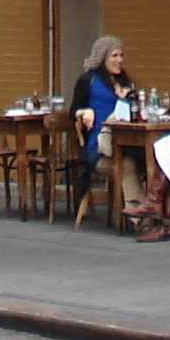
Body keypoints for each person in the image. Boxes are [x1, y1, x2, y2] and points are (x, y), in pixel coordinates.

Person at [65, 36, 136, 215]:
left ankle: (164, 216)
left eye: (121, 55)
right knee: (127, 165)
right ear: (103, 57)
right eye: (114, 56)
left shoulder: (124, 82)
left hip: (128, 144)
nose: (119, 60)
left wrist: (126, 98)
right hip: (99, 149)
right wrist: (84, 112)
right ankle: (141, 219)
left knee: (154, 162)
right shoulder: (88, 80)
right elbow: (72, 111)